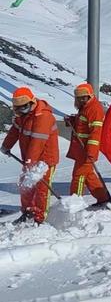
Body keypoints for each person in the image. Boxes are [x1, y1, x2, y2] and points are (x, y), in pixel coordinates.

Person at [0, 87, 59, 225]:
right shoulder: (23, 116)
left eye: (23, 107)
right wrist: (6, 146)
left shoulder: (43, 116)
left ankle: (40, 217)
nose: (20, 111)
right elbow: (15, 130)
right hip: (30, 159)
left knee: (41, 188)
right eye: (18, 108)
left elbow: (37, 142)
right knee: (25, 185)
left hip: (45, 160)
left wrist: (29, 161)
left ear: (32, 102)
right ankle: (28, 212)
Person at [64, 83, 109, 205]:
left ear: (90, 96)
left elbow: (95, 133)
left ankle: (74, 203)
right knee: (89, 176)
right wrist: (72, 121)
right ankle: (104, 199)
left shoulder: (94, 109)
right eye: (79, 98)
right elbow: (82, 125)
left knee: (78, 176)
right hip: (81, 150)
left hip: (86, 151)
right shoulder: (85, 108)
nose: (81, 100)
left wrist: (91, 152)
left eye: (84, 97)